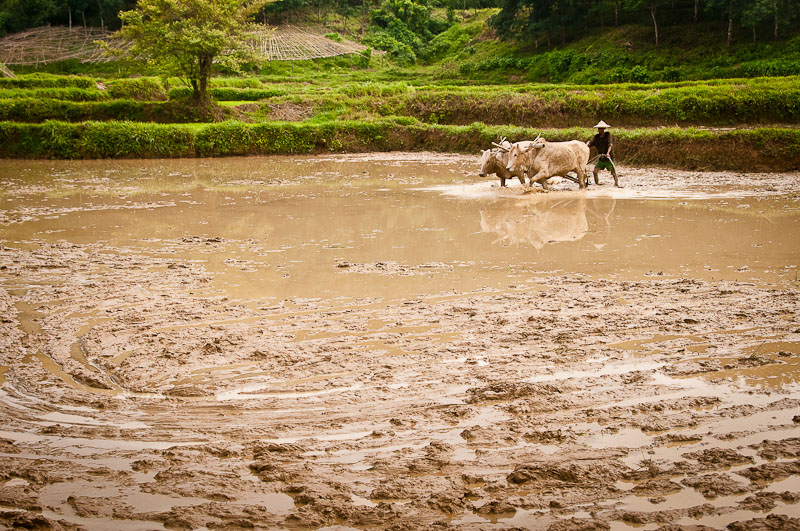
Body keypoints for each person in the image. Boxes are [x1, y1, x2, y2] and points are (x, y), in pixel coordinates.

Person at [586, 120, 619, 187]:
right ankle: (597, 183)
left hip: (608, 157)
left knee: (613, 172)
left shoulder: (608, 135)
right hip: (601, 158)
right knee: (595, 172)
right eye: (599, 128)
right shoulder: (596, 137)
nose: (599, 130)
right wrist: (587, 144)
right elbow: (591, 143)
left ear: (604, 129)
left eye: (601, 128)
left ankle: (616, 183)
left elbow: (610, 145)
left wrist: (607, 153)